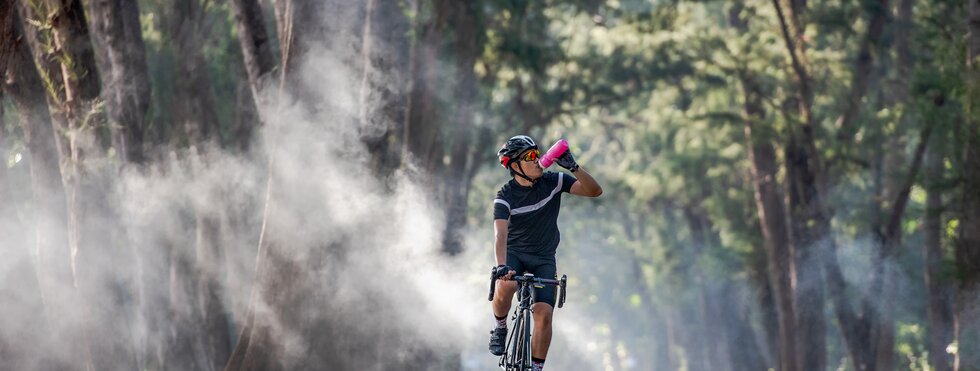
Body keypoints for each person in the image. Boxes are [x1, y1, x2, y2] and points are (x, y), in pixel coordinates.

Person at [488, 135, 602, 371]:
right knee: (506, 284)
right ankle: (500, 327)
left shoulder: (554, 181)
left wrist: (574, 167)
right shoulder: (504, 196)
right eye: (530, 156)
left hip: (543, 259)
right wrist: (502, 267)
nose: (537, 159)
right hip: (515, 255)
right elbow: (500, 235)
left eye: (537, 153)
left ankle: (536, 368)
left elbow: (594, 191)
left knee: (544, 315)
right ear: (515, 166)